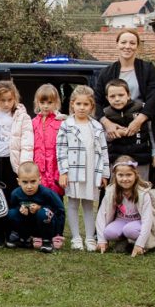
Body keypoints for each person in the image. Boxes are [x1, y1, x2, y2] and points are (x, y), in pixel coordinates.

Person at [56, 85, 110, 251]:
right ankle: (76, 238)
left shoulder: (97, 126)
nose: (81, 107)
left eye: (85, 104)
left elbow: (103, 151)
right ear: (72, 104)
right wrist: (63, 172)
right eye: (78, 104)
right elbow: (61, 149)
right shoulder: (67, 125)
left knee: (88, 205)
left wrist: (104, 173)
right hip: (73, 170)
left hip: (91, 169)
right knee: (72, 203)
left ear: (91, 106)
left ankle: (89, 237)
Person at [93, 29, 155, 148]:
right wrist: (107, 123)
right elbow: (96, 101)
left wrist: (139, 120)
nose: (127, 46)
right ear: (117, 45)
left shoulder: (148, 69)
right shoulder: (106, 73)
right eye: (123, 42)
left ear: (137, 46)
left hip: (141, 129)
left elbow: (154, 96)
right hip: (115, 131)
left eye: (132, 43)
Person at [95, 155, 155, 256]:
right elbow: (101, 215)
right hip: (121, 220)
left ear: (135, 174)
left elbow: (147, 220)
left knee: (129, 230)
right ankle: (125, 242)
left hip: (138, 222)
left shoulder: (143, 193)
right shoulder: (111, 192)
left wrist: (140, 244)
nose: (125, 179)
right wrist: (102, 240)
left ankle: (142, 244)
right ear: (115, 176)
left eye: (128, 175)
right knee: (109, 232)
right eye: (121, 175)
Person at [103, 79, 155, 181]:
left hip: (141, 158)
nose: (117, 99)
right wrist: (115, 134)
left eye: (121, 95)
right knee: (117, 191)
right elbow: (102, 138)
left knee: (141, 188)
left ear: (128, 95)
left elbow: (152, 131)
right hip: (116, 159)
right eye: (112, 96)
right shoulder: (105, 114)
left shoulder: (142, 109)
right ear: (107, 98)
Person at [7, 160, 65, 253]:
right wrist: (20, 210)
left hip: (47, 226)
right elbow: (12, 208)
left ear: (39, 179)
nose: (29, 186)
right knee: (11, 213)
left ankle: (47, 241)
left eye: (33, 181)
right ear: (18, 181)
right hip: (28, 224)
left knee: (43, 213)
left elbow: (60, 210)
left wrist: (59, 233)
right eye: (25, 182)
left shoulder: (48, 193)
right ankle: (22, 237)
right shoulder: (15, 194)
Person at [32, 84, 65, 196]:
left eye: (49, 103)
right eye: (42, 103)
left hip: (55, 167)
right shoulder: (33, 122)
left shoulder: (61, 122)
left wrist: (60, 172)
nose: (46, 106)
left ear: (56, 103)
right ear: (37, 103)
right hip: (38, 167)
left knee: (55, 199)